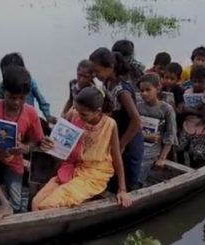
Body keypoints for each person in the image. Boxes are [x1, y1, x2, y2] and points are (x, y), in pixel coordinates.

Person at [31, 87, 132, 210]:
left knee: (47, 205)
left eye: (84, 114)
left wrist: (122, 189)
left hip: (95, 173)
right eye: (78, 111)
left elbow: (116, 157)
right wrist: (47, 143)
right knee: (36, 203)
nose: (79, 115)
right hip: (72, 167)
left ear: (98, 111)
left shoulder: (110, 124)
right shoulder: (74, 113)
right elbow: (57, 141)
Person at [0, 65, 44, 223]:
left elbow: (36, 141)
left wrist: (25, 148)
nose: (17, 102)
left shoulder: (31, 113)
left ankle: (7, 203)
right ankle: (3, 203)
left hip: (14, 158)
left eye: (21, 98)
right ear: (3, 91)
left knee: (18, 206)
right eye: (12, 97)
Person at [89, 47, 144, 190]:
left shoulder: (122, 91)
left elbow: (136, 121)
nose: (95, 75)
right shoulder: (107, 83)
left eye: (97, 71)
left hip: (129, 138)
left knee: (128, 177)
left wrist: (121, 144)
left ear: (110, 67)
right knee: (113, 174)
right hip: (118, 134)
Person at [136, 74, 178, 185]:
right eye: (142, 90)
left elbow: (170, 134)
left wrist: (162, 157)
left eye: (148, 90)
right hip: (138, 145)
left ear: (158, 88)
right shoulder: (138, 107)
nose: (144, 93)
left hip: (153, 151)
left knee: (141, 170)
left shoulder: (166, 109)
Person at [0, 52, 57, 124]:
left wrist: (48, 116)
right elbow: (0, 104)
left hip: (28, 118)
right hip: (10, 120)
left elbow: (41, 100)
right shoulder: (2, 86)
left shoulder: (30, 82)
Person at [177, 65, 205, 168]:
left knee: (197, 153)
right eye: (194, 81)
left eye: (200, 82)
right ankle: (180, 171)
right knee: (179, 148)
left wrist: (189, 110)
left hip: (201, 129)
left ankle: (197, 176)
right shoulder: (187, 92)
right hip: (187, 125)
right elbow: (182, 110)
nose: (196, 84)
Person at [162, 62, 185, 129]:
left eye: (172, 79)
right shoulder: (162, 89)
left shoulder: (179, 90)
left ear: (178, 80)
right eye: (166, 77)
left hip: (176, 122)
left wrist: (173, 108)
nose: (168, 81)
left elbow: (181, 110)